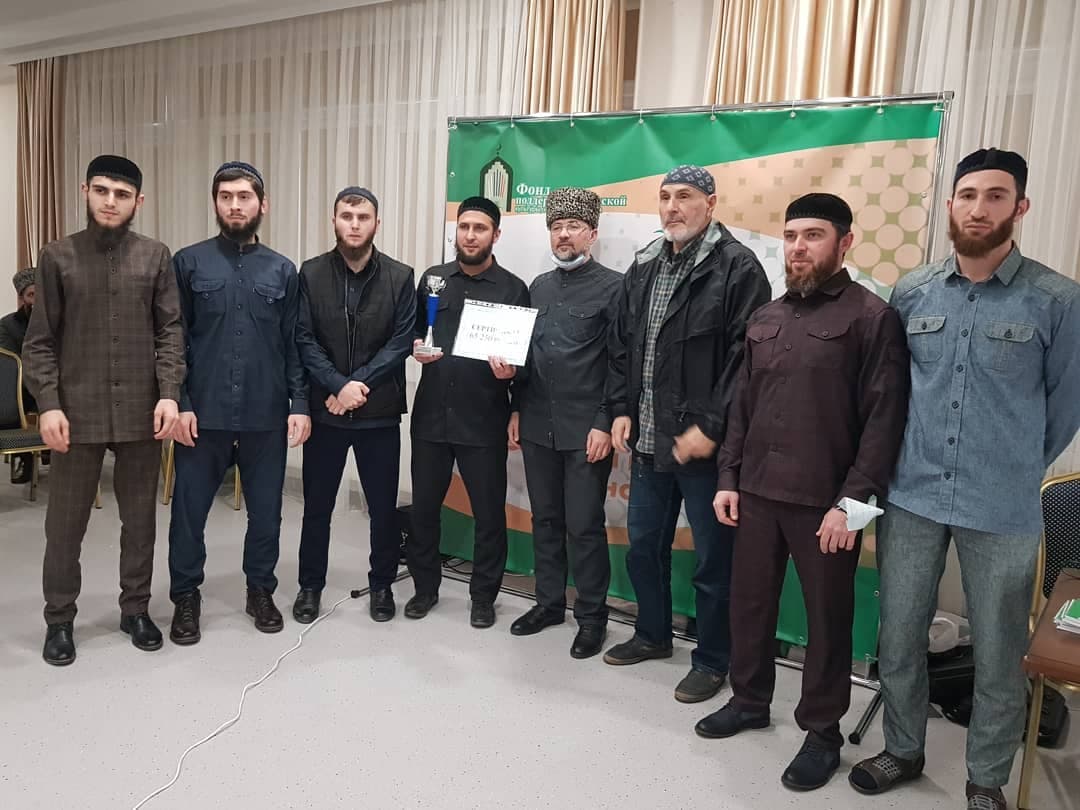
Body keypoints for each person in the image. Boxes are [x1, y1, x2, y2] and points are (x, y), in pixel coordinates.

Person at [850, 148, 1080, 810]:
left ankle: (986, 779)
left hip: (1001, 506)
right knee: (899, 634)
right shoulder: (913, 291)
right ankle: (902, 748)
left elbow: (1064, 408)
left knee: (1001, 651)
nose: (980, 208)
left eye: (996, 196)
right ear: (951, 204)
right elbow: (893, 391)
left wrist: (1010, 463)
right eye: (969, 195)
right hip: (913, 495)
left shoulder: (1058, 300)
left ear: (1020, 207)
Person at [701, 193, 909, 790]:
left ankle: (822, 732)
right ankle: (749, 700)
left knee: (827, 620)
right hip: (756, 494)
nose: (798, 246)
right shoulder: (766, 316)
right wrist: (727, 478)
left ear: (845, 243)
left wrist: (853, 505)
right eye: (791, 235)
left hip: (827, 506)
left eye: (813, 235)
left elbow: (884, 420)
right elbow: (740, 407)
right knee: (749, 606)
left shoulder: (871, 317)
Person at [604, 165, 771, 704]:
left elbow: (746, 364)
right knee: (643, 549)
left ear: (711, 203)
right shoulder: (645, 264)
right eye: (665, 196)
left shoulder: (738, 268)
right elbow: (622, 344)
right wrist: (621, 409)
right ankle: (652, 635)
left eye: (685, 196)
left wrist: (712, 428)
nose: (672, 207)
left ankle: (714, 659)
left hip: (704, 450)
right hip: (649, 442)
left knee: (712, 563)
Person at [22, 154, 185, 665]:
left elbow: (170, 332)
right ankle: (59, 619)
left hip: (141, 411)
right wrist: (49, 404)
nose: (110, 201)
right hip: (77, 412)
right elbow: (39, 341)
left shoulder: (155, 256)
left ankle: (136, 610)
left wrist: (169, 393)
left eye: (121, 193)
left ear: (139, 201)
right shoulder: (57, 256)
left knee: (140, 522)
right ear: (85, 192)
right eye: (101, 190)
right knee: (64, 526)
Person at [167, 161, 310, 645]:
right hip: (201, 414)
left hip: (264, 413)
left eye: (244, 196)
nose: (234, 205)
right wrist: (180, 401)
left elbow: (294, 344)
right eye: (225, 196)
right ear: (215, 203)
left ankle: (260, 590)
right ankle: (186, 597)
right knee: (189, 512)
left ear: (262, 204)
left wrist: (300, 403)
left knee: (266, 512)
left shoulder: (283, 270)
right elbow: (174, 339)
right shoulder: (189, 263)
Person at [507, 187, 621, 659]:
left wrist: (604, 421)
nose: (564, 235)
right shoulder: (538, 287)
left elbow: (620, 363)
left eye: (573, 226)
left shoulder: (615, 287)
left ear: (592, 233)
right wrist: (515, 407)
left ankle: (592, 618)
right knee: (546, 519)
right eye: (556, 227)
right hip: (537, 423)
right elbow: (525, 356)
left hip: (585, 430)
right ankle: (549, 604)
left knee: (584, 525)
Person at [293, 186, 416, 623]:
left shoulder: (401, 276)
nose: (355, 224)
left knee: (382, 509)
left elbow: (401, 341)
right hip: (326, 412)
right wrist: (336, 385)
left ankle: (382, 585)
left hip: (377, 411)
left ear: (376, 223)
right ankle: (310, 586)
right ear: (334, 221)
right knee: (317, 507)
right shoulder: (310, 274)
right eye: (347, 216)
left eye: (363, 217)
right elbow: (304, 338)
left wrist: (354, 386)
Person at [406, 196, 529, 628]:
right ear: (455, 232)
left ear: (496, 235)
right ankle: (424, 589)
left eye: (480, 228)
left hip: (484, 420)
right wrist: (416, 348)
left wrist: (511, 375)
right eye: (464, 227)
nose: (470, 235)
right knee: (424, 510)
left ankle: (483, 597)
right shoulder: (433, 280)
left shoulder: (513, 288)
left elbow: (523, 360)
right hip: (431, 418)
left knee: (489, 516)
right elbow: (415, 333)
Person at [1, 267, 39, 483]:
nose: (37, 300)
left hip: (54, 384)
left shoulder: (60, 320)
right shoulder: (7, 325)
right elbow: (9, 366)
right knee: (11, 399)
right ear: (22, 298)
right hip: (24, 387)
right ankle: (25, 458)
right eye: (31, 294)